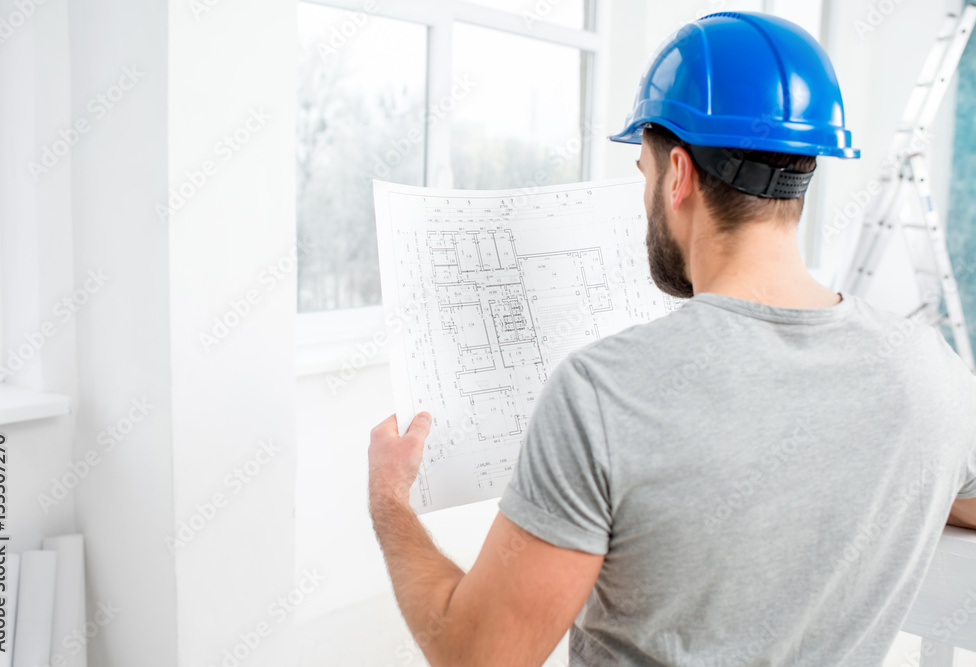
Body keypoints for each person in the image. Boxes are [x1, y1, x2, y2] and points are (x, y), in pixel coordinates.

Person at [367, 11, 976, 666]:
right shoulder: (930, 375)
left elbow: (476, 656)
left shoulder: (600, 394)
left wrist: (389, 500)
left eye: (644, 172)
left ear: (679, 173)